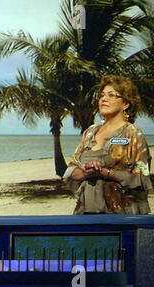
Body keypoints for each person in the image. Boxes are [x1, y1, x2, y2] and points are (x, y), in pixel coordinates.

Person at [64, 75, 152, 214]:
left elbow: (141, 177)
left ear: (125, 104)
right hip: (85, 212)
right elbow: (71, 170)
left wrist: (105, 172)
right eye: (102, 95)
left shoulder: (132, 134)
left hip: (121, 213)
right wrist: (85, 172)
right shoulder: (90, 132)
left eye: (111, 95)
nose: (104, 99)